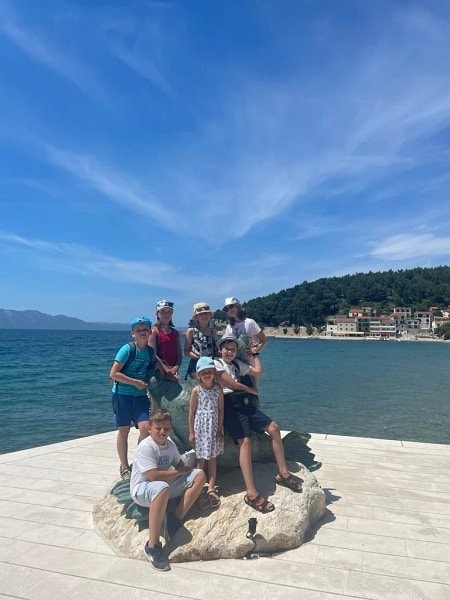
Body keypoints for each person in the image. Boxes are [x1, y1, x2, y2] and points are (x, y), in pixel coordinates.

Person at [214, 334, 302, 513]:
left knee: (274, 428)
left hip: (245, 403)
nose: (230, 352)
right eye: (227, 349)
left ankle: (283, 473)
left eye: (233, 349)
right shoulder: (217, 364)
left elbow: (259, 372)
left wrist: (255, 355)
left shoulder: (237, 364)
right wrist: (251, 390)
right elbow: (231, 384)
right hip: (230, 405)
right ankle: (251, 494)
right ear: (220, 349)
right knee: (245, 443)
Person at [130, 409, 206, 571]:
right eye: (158, 428)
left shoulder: (170, 445)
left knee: (199, 475)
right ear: (150, 429)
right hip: (142, 490)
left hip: (162, 488)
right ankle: (152, 545)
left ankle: (173, 519)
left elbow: (178, 464)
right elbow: (153, 476)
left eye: (166, 428)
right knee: (162, 486)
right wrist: (178, 472)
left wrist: (187, 466)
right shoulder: (146, 447)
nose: (162, 432)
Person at [110, 316, 156, 480]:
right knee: (124, 430)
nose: (142, 332)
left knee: (145, 427)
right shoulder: (127, 349)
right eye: (138, 330)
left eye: (145, 329)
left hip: (140, 396)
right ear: (133, 333)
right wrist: (135, 382)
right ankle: (124, 466)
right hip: (122, 395)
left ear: (150, 332)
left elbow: (150, 371)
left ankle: (138, 461)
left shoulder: (150, 352)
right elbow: (113, 373)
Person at [188, 357, 224, 507]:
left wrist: (219, 430)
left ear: (214, 373)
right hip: (201, 428)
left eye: (210, 372)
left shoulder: (218, 389)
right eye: (204, 373)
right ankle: (199, 488)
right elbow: (191, 412)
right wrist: (191, 432)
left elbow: (221, 410)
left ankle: (211, 487)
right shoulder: (196, 390)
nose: (207, 375)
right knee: (200, 458)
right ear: (198, 375)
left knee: (212, 457)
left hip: (213, 427)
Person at [223, 296, 267, 360]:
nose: (229, 310)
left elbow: (264, 340)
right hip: (234, 360)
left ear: (238, 307)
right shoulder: (229, 327)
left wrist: (255, 351)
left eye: (231, 306)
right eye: (226, 309)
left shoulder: (250, 322)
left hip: (249, 360)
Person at [184, 301, 219, 379]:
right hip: (196, 366)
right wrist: (199, 358)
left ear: (210, 315)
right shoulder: (191, 331)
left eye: (206, 313)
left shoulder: (213, 332)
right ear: (196, 317)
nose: (204, 315)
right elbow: (186, 351)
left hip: (211, 365)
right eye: (201, 314)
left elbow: (215, 351)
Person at [150, 300, 182, 381]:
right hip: (158, 373)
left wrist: (176, 367)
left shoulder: (176, 333)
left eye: (169, 311)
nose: (166, 314)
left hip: (173, 373)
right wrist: (166, 369)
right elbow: (152, 354)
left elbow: (179, 354)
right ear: (157, 314)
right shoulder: (154, 332)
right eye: (163, 311)